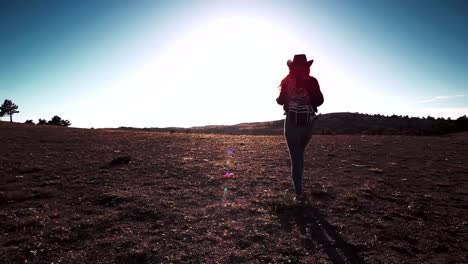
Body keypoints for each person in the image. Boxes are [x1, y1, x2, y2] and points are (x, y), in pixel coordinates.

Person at [276, 54, 324, 202]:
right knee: (298, 156)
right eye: (298, 66)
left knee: (298, 155)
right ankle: (299, 191)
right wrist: (287, 92)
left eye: (301, 67)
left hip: (301, 123)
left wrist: (306, 90)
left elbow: (320, 101)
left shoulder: (309, 81)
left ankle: (298, 191)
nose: (299, 69)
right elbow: (280, 101)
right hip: (299, 122)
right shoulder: (293, 81)